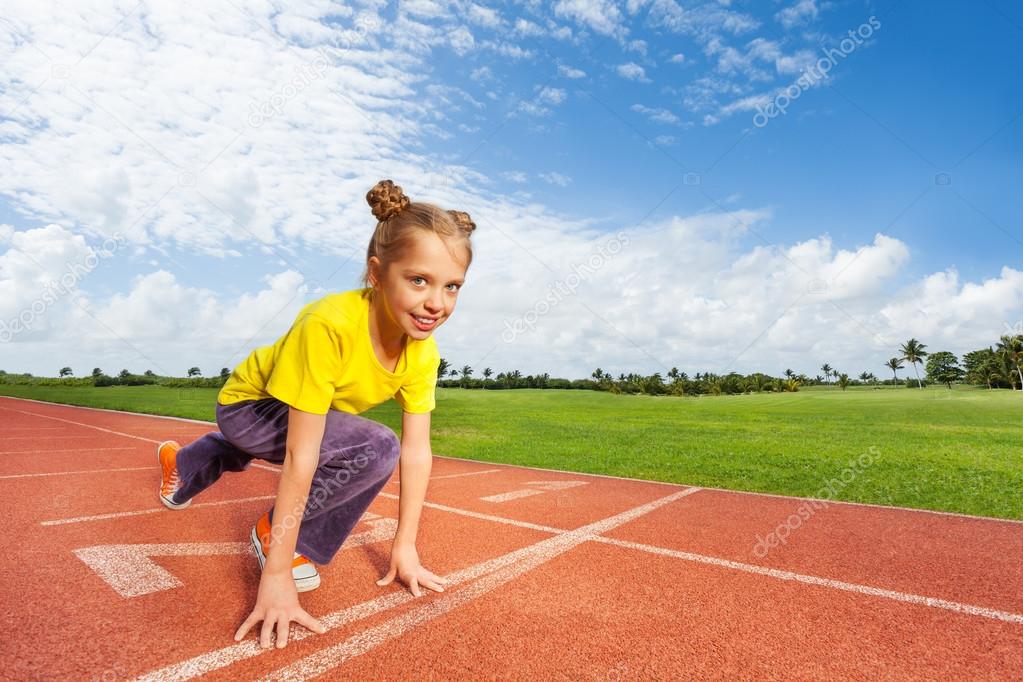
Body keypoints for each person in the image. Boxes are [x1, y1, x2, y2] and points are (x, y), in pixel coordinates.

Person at [155, 179, 475, 649]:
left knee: (371, 444)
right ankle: (273, 531)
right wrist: (278, 570)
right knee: (373, 445)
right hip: (251, 405)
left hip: (306, 413)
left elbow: (418, 450)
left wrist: (404, 547)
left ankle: (186, 463)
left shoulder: (423, 354)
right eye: (418, 280)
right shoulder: (327, 324)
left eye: (452, 287)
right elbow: (302, 456)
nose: (437, 303)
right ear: (376, 273)